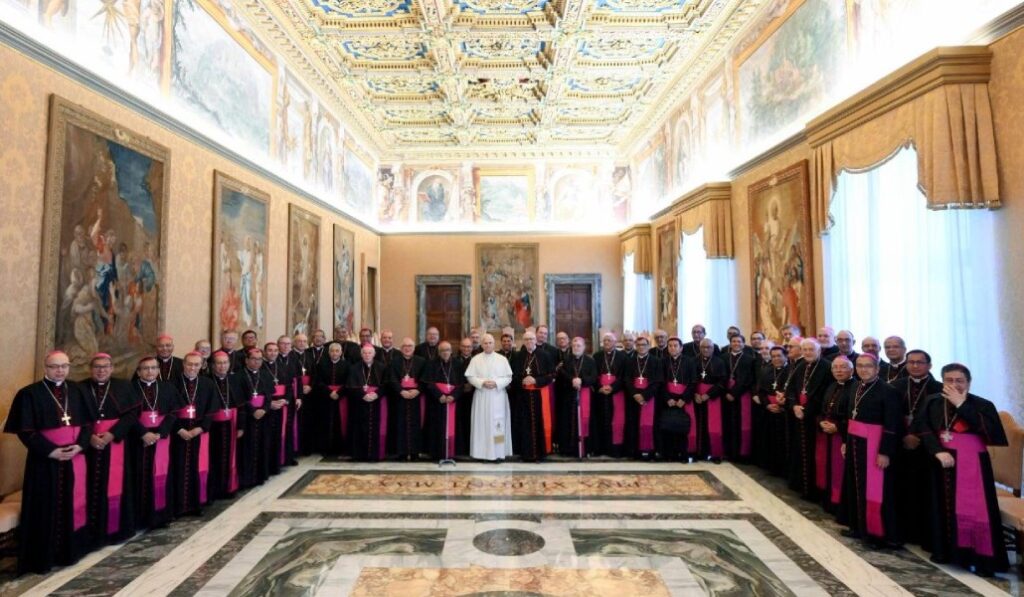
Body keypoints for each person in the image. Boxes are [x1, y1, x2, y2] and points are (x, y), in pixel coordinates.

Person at [4, 351, 97, 574]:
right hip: (44, 462)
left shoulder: (77, 390)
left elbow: (87, 425)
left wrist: (80, 445)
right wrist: (51, 451)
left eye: (64, 366)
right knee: (45, 506)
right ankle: (43, 557)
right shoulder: (30, 394)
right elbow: (25, 431)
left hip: (75, 459)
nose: (60, 370)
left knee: (73, 504)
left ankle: (69, 551)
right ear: (45, 367)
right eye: (55, 366)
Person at [915, 363, 1008, 576]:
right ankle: (945, 552)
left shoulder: (982, 404)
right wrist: (937, 451)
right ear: (942, 381)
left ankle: (977, 557)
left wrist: (962, 405)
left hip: (972, 465)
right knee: (941, 506)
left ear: (968, 382)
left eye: (959, 381)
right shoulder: (933, 401)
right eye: (949, 380)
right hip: (941, 462)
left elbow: (992, 434)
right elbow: (922, 427)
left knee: (975, 509)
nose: (954, 384)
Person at [841, 354, 902, 548]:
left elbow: (892, 425)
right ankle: (858, 527)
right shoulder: (855, 386)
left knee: (875, 490)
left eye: (868, 366)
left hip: (875, 445)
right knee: (855, 485)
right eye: (859, 366)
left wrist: (885, 452)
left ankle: (878, 534)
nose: (863, 369)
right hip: (855, 443)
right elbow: (850, 417)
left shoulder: (888, 391)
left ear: (877, 369)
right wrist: (845, 441)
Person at [83, 353, 138, 544]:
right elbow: (75, 418)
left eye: (105, 366)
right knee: (88, 488)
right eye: (97, 367)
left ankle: (115, 531)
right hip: (88, 447)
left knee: (116, 486)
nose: (101, 370)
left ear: (112, 368)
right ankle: (90, 533)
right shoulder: (80, 388)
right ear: (91, 369)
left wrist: (112, 434)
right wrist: (88, 437)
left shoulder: (123, 386)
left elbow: (132, 414)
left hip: (115, 444)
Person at [891, 349, 944, 547]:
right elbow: (890, 416)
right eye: (911, 362)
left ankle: (926, 535)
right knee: (901, 489)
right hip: (900, 446)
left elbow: (939, 420)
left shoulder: (939, 389)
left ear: (929, 366)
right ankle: (902, 532)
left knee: (925, 492)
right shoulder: (894, 387)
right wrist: (904, 436)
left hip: (927, 450)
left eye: (919, 362)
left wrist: (917, 435)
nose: (914, 366)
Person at [131, 356, 182, 530]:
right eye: (145, 368)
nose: (150, 371)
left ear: (158, 371)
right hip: (139, 441)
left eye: (153, 368)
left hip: (162, 439)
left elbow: (174, 412)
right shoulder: (131, 389)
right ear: (138, 372)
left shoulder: (167, 388)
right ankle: (140, 517)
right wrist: (143, 433)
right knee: (139, 477)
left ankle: (161, 516)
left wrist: (160, 433)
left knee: (162, 476)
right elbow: (128, 416)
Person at [171, 352, 217, 517]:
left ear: (202, 366)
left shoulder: (207, 383)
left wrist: (200, 428)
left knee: (198, 467)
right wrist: (179, 429)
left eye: (196, 365)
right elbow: (168, 411)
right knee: (177, 468)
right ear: (183, 364)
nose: (192, 368)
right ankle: (177, 506)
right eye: (189, 364)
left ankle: (195, 504)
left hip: (198, 432)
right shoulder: (172, 383)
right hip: (178, 433)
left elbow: (212, 410)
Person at [786, 339, 832, 499]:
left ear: (819, 351)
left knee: (814, 455)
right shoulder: (801, 366)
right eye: (804, 349)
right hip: (798, 415)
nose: (807, 352)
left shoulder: (826, 367)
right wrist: (794, 406)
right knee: (800, 452)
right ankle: (801, 486)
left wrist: (806, 410)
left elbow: (825, 394)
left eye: (811, 349)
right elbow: (791, 389)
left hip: (815, 418)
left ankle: (813, 490)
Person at [466, 334, 514, 462]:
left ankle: (498, 453)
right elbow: (470, 376)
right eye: (485, 343)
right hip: (482, 396)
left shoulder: (502, 359)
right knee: (482, 425)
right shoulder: (475, 359)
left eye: (490, 343)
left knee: (498, 426)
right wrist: (482, 383)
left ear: (494, 344)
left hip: (498, 396)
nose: (488, 345)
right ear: (482, 345)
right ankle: (482, 453)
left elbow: (508, 377)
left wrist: (497, 383)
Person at [511, 330, 556, 462]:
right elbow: (512, 376)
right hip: (523, 397)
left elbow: (552, 375)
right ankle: (526, 454)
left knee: (539, 423)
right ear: (523, 342)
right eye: (526, 340)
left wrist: (536, 380)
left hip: (540, 396)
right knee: (524, 424)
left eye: (531, 339)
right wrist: (522, 381)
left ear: (536, 340)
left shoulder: (545, 355)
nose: (529, 342)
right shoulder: (518, 356)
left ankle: (540, 454)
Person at [233, 348, 275, 488]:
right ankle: (246, 478)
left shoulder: (266, 375)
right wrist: (253, 411)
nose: (257, 362)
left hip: (264, 417)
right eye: (254, 359)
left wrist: (264, 409)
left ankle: (260, 476)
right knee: (247, 448)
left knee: (263, 445)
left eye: (259, 359)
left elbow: (269, 396)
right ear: (246, 360)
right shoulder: (238, 376)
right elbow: (239, 399)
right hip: (247, 418)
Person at [817, 357, 853, 516]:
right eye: (835, 368)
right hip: (826, 434)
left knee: (840, 472)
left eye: (843, 367)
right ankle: (828, 501)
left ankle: (840, 504)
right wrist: (820, 422)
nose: (839, 370)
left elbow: (854, 416)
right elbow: (822, 409)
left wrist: (838, 427)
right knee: (827, 469)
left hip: (842, 436)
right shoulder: (831, 386)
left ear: (851, 370)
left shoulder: (855, 388)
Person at [207, 351, 243, 501]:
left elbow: (242, 405)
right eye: (219, 363)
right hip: (213, 428)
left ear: (229, 364)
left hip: (231, 425)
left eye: (225, 363)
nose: (222, 366)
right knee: (213, 458)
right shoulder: (207, 381)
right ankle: (214, 490)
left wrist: (241, 426)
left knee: (231, 457)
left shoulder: (235, 380)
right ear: (213, 365)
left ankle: (229, 487)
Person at [346, 344, 390, 461]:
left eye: (369, 353)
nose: (367, 355)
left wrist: (376, 394)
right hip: (359, 403)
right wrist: (363, 395)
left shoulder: (382, 367)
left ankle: (375, 455)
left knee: (376, 428)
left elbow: (386, 384)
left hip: (377, 402)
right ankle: (359, 455)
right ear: (361, 354)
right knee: (359, 428)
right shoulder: (354, 368)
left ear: (374, 354)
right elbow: (350, 386)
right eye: (364, 353)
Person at [555, 337, 597, 458]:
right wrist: (572, 380)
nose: (576, 348)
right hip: (569, 396)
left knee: (586, 421)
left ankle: (586, 448)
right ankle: (569, 449)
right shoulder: (566, 361)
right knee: (568, 422)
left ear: (584, 347)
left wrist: (582, 381)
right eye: (574, 346)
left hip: (585, 396)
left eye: (579, 346)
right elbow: (562, 375)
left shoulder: (590, 361)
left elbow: (594, 377)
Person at [424, 341, 465, 461]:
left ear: (451, 351)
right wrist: (439, 395)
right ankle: (437, 453)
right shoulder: (432, 364)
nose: (445, 352)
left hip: (453, 402)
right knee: (437, 428)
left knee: (454, 427)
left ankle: (452, 453)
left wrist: (453, 396)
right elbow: (429, 383)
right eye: (442, 350)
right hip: (437, 403)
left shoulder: (457, 364)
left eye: (447, 350)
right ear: (439, 352)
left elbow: (461, 384)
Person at [625, 335, 663, 460]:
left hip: (650, 397)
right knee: (634, 424)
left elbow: (657, 381)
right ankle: (635, 451)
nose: (641, 347)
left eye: (644, 345)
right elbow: (627, 380)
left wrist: (645, 395)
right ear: (636, 346)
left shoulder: (656, 361)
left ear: (648, 346)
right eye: (639, 345)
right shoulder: (630, 361)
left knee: (650, 424)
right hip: (633, 398)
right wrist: (635, 394)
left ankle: (650, 450)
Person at [757, 346, 793, 475]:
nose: (776, 359)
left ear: (785, 356)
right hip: (769, 412)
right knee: (770, 440)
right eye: (773, 356)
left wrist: (782, 406)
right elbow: (760, 392)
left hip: (784, 413)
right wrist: (767, 405)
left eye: (779, 356)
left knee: (784, 441)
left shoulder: (791, 371)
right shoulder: (766, 371)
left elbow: (792, 392)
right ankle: (772, 467)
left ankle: (784, 469)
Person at [390, 338, 426, 460]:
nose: (407, 348)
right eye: (405, 346)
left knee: (416, 424)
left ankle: (415, 452)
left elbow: (425, 379)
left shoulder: (421, 361)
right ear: (401, 348)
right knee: (400, 424)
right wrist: (401, 391)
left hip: (416, 397)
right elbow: (392, 379)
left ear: (414, 348)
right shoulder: (394, 362)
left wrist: (418, 390)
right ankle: (401, 452)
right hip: (400, 397)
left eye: (410, 346)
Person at [690, 338, 726, 462]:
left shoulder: (719, 362)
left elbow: (722, 382)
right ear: (700, 348)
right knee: (697, 425)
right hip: (696, 397)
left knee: (713, 426)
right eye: (703, 347)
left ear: (713, 348)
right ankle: (697, 452)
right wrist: (695, 393)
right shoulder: (693, 361)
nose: (706, 350)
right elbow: (690, 380)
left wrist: (708, 395)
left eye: (708, 347)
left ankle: (715, 453)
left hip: (712, 397)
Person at [592, 332, 627, 458]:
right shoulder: (596, 356)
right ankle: (600, 448)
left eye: (609, 340)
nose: (606, 343)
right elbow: (593, 375)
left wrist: (612, 387)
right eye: (605, 340)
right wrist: (600, 387)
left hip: (616, 393)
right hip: (600, 394)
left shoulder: (622, 357)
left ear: (615, 341)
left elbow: (624, 376)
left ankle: (615, 449)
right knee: (600, 420)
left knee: (616, 421)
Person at [261, 342, 294, 473]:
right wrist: (269, 404)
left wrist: (285, 400)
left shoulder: (282, 366)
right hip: (268, 407)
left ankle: (278, 463)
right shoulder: (261, 368)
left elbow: (289, 386)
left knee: (280, 435)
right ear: (264, 352)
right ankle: (267, 466)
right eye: (270, 350)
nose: (273, 353)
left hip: (281, 406)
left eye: (275, 351)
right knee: (268, 437)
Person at [660, 337, 693, 462]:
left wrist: (684, 399)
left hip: (682, 400)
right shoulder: (663, 362)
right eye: (670, 346)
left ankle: (683, 454)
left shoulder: (689, 362)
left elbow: (692, 382)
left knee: (682, 428)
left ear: (681, 348)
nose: (672, 348)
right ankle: (669, 455)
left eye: (675, 346)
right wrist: (667, 398)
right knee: (668, 427)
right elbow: (661, 382)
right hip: (668, 399)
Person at [725, 334, 757, 461]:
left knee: (741, 424)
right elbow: (721, 377)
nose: (736, 343)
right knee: (728, 424)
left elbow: (749, 379)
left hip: (742, 395)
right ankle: (729, 453)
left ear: (743, 344)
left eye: (739, 341)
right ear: (730, 343)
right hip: (726, 396)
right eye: (734, 341)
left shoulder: (750, 359)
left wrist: (734, 393)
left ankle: (742, 454)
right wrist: (727, 393)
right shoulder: (724, 358)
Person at [314, 342, 349, 456]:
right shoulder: (321, 365)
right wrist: (329, 392)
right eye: (332, 351)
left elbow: (348, 382)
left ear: (341, 352)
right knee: (325, 422)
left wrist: (338, 392)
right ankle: (325, 448)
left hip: (341, 397)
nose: (334, 353)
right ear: (328, 353)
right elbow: (318, 381)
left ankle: (340, 448)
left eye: (337, 351)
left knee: (340, 422)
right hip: (325, 397)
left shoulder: (347, 365)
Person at [276, 335, 302, 463]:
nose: (286, 346)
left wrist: (299, 397)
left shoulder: (294, 358)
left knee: (290, 426)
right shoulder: (274, 359)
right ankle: (278, 457)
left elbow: (298, 379)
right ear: (278, 345)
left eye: (288, 344)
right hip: (277, 399)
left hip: (291, 397)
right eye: (283, 344)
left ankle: (289, 456)